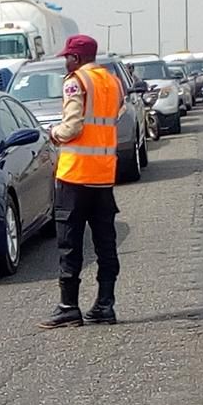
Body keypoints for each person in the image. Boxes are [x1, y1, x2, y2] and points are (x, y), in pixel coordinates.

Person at [39, 34, 124, 330]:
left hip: (75, 175)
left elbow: (73, 126)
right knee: (105, 243)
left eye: (67, 57)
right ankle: (105, 305)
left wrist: (53, 133)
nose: (65, 62)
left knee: (70, 244)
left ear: (76, 58)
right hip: (103, 174)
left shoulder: (76, 81)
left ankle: (68, 307)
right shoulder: (112, 81)